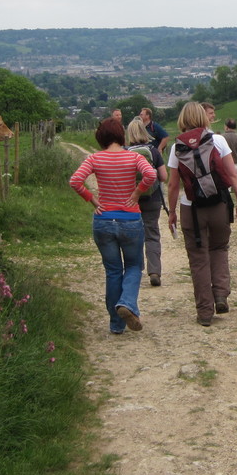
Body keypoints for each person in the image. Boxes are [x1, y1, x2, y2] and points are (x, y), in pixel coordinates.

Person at [69, 117, 156, 334]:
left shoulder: (95, 159)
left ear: (101, 137)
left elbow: (75, 181)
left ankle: (116, 325)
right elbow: (151, 174)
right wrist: (136, 193)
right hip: (130, 220)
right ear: (120, 135)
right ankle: (126, 304)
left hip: (104, 220)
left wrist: (93, 200)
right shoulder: (134, 156)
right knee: (134, 266)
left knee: (113, 271)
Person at [167, 102, 237, 327]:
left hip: (191, 208)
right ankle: (220, 295)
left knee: (198, 258)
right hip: (219, 204)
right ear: (204, 117)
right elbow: (232, 175)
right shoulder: (218, 140)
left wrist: (172, 212)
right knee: (219, 248)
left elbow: (173, 185)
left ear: (182, 119)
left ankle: (204, 312)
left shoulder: (176, 147)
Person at [126, 117, 169, 286]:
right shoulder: (153, 151)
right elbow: (164, 177)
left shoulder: (125, 151)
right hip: (153, 198)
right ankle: (154, 271)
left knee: (134, 236)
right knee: (152, 234)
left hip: (132, 200)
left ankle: (135, 271)